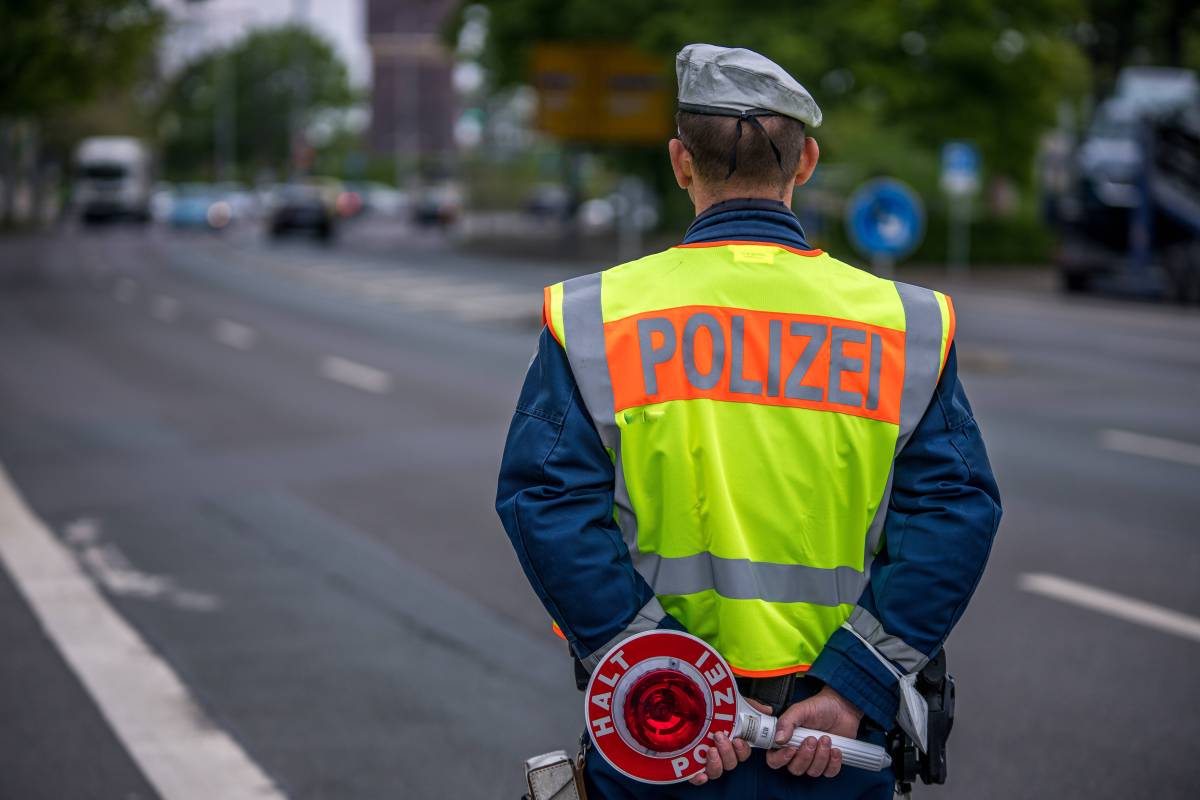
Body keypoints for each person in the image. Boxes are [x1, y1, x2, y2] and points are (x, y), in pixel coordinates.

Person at [497, 43, 1001, 799]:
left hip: (663, 738)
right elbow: (954, 510)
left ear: (679, 161)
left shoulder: (600, 316)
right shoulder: (903, 324)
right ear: (806, 163)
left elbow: (546, 502)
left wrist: (672, 687)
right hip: (832, 745)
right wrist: (855, 687)